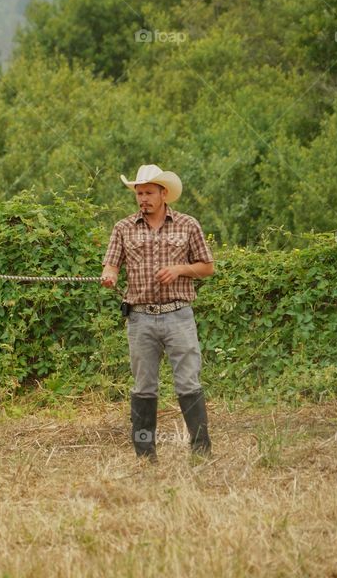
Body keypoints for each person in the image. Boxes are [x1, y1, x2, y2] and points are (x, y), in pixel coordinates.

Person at [100, 165, 215, 460]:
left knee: (188, 381)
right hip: (140, 317)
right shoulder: (123, 228)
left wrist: (180, 269)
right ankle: (144, 453)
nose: (143, 199)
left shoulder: (188, 225)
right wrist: (110, 275)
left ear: (164, 194)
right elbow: (111, 264)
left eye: (149, 193)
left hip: (179, 315)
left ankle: (201, 449)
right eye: (139, 193)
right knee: (144, 386)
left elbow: (207, 267)